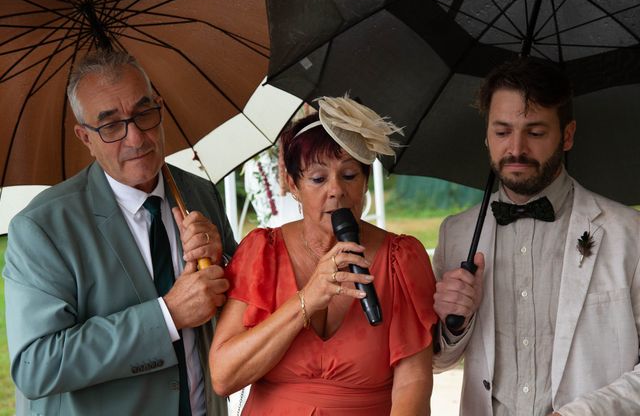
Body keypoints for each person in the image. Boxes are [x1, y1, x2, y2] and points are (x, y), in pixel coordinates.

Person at [3, 51, 236, 416]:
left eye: (144, 114)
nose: (136, 138)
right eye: (111, 126)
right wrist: (167, 317)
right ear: (85, 137)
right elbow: (37, 365)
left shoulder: (198, 193)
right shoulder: (42, 227)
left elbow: (241, 305)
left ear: (160, 107)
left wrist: (222, 262)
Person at [432, 57, 640, 415]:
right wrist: (454, 322)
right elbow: (437, 359)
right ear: (486, 135)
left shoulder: (628, 233)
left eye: (535, 132)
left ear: (568, 135)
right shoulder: (458, 233)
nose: (516, 149)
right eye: (502, 131)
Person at [208, 96, 437, 415]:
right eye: (318, 178)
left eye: (349, 175)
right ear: (292, 183)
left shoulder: (401, 259)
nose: (336, 190)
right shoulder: (263, 252)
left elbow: (413, 381)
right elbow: (223, 377)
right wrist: (307, 299)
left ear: (365, 181)